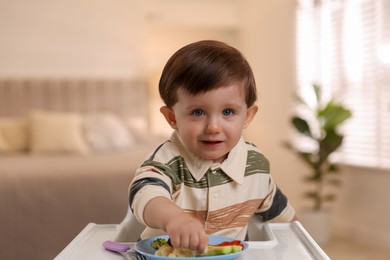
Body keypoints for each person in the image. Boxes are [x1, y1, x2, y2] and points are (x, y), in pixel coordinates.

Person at [129, 40, 296, 253]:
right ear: (172, 118)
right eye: (198, 112)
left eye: (228, 112)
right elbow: (144, 192)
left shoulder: (255, 164)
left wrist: (300, 241)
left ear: (247, 116)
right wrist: (174, 218)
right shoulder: (168, 159)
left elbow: (284, 220)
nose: (213, 127)